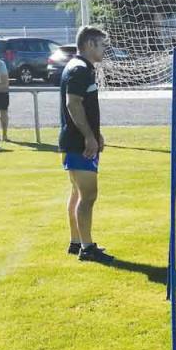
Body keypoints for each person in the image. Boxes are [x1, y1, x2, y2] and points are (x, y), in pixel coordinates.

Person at [60, 26, 113, 264]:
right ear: (90, 44)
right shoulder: (79, 69)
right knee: (88, 195)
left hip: (78, 140)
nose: (104, 49)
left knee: (77, 193)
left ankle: (76, 241)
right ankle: (87, 248)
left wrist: (96, 133)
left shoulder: (80, 67)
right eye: (101, 45)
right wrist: (89, 137)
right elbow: (73, 104)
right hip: (78, 143)